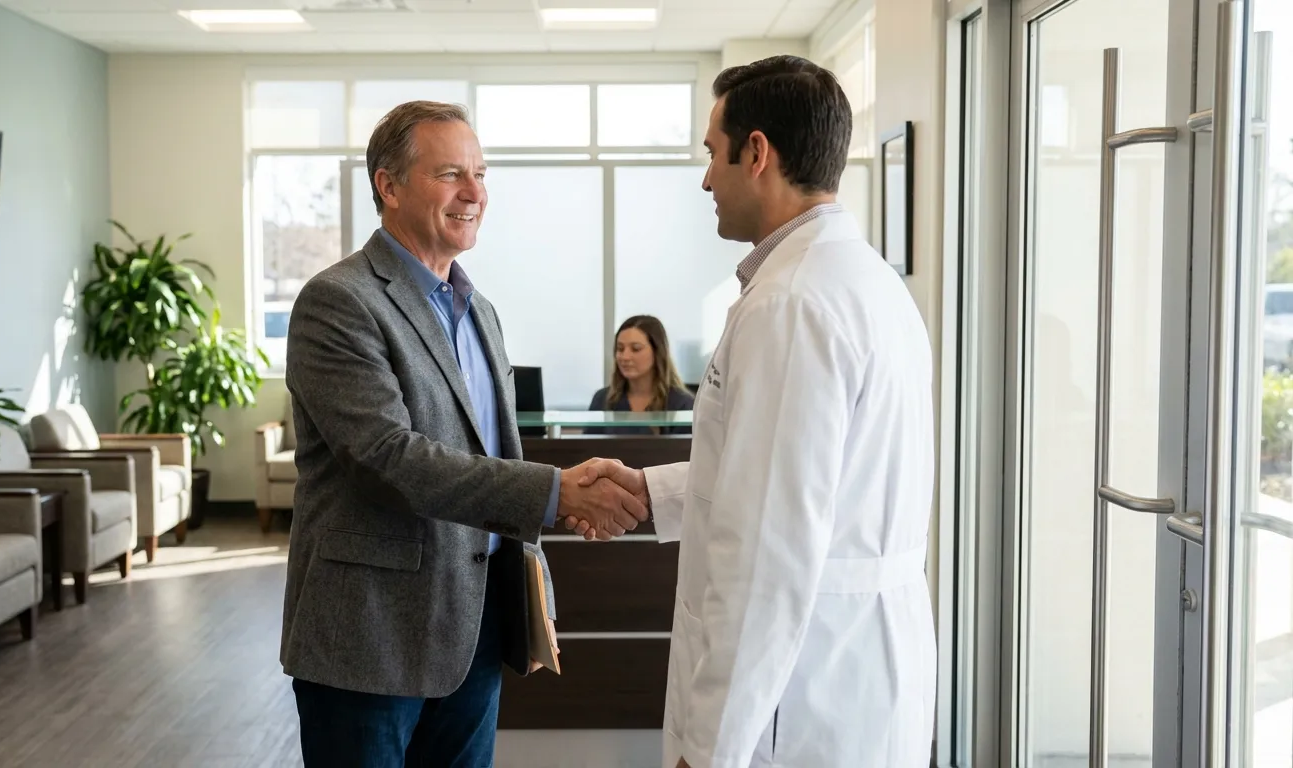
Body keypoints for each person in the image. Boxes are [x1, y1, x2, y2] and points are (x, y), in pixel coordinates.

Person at [567, 56, 936, 767]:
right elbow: (814, 479)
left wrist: (705, 751)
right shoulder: (863, 281)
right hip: (859, 670)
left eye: (712, 153)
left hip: (796, 701)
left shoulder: (791, 304)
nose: (707, 179)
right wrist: (654, 492)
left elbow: (768, 554)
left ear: (757, 152)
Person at [279, 100, 649, 768]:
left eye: (480, 174)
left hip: (473, 628)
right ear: (388, 186)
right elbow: (386, 459)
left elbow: (486, 454)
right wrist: (557, 493)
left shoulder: (481, 312)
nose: (475, 193)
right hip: (371, 638)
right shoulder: (338, 301)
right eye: (451, 174)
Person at [586, 315, 695, 436]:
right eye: (620, 349)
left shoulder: (682, 404)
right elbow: (587, 450)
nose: (625, 357)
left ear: (657, 352)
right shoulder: (602, 399)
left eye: (636, 349)